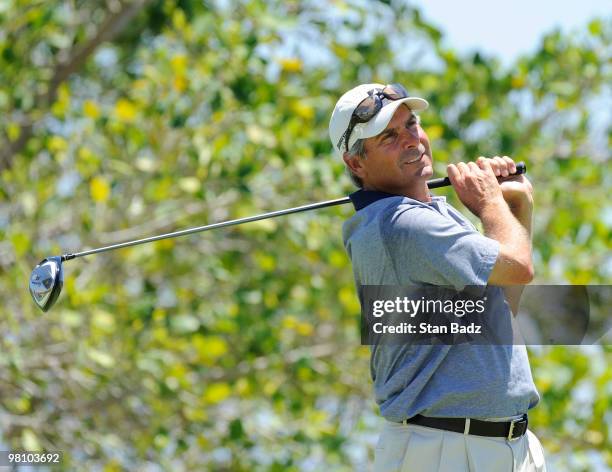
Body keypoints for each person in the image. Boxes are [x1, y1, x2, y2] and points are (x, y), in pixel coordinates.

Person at [329, 83, 547, 472]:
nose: (412, 140)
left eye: (412, 124)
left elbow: (500, 311)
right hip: (443, 450)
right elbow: (519, 266)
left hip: (503, 447)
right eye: (389, 137)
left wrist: (517, 205)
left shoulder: (434, 215)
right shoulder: (402, 224)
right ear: (356, 164)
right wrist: (490, 204)